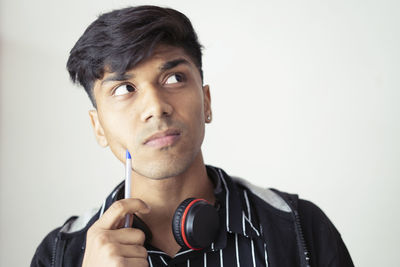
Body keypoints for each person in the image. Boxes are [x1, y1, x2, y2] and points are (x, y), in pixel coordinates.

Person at [31, 5, 354, 267]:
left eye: (173, 78)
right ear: (98, 127)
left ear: (207, 102)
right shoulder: (60, 254)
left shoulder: (300, 227)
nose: (156, 107)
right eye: (125, 88)